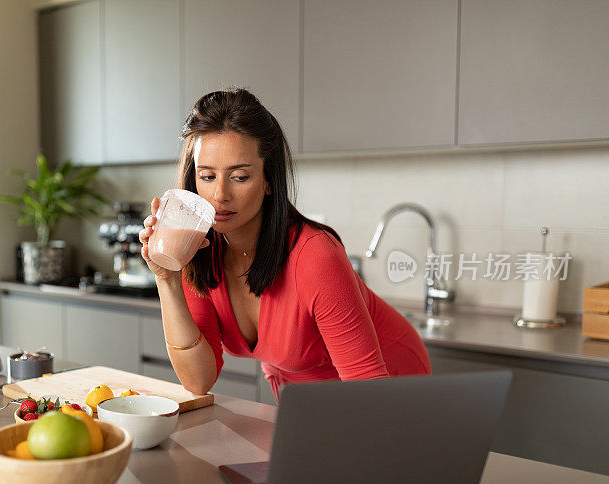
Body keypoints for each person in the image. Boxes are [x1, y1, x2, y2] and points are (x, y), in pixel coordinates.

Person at [139, 89, 431, 402]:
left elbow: (369, 389)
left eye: (239, 177)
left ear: (268, 180)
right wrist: (166, 278)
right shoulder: (198, 251)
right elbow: (199, 380)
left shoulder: (316, 256)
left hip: (390, 387)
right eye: (207, 176)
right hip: (306, 399)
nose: (219, 194)